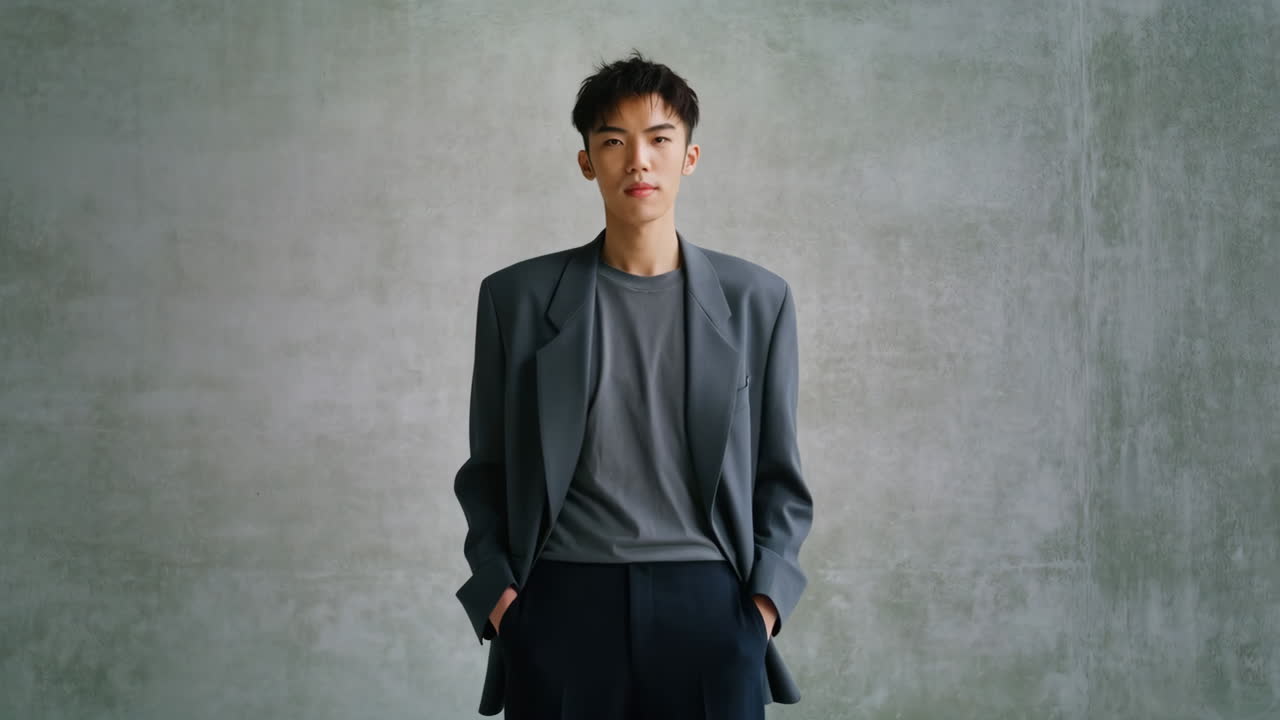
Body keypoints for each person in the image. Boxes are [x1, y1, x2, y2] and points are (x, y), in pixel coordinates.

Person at [453, 50, 813, 719]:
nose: (638, 161)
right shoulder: (517, 299)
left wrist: (761, 608)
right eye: (613, 141)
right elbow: (487, 471)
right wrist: (504, 603)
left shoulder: (758, 300)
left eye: (659, 139)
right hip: (560, 605)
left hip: (712, 606)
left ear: (690, 158)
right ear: (588, 160)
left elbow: (780, 476)